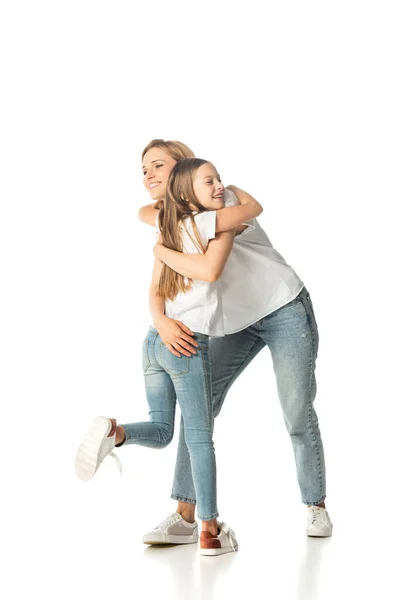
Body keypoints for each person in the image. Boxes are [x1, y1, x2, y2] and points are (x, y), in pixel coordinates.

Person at [139, 139, 333, 542]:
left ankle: (316, 506)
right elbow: (146, 216)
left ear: (183, 173)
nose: (150, 176)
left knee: (296, 409)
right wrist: (160, 319)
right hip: (236, 323)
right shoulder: (174, 218)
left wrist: (161, 243)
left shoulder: (222, 202)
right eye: (145, 170)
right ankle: (186, 516)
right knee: (200, 408)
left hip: (282, 308)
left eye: (159, 166)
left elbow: (211, 264)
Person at [75, 157, 263, 556]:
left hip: (154, 339)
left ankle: (116, 432)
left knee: (162, 432)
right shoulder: (213, 224)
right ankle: (209, 529)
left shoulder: (167, 229)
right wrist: (233, 200)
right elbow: (246, 214)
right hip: (188, 344)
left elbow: (156, 279)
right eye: (209, 182)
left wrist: (162, 255)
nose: (218, 189)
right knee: (199, 438)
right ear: (188, 191)